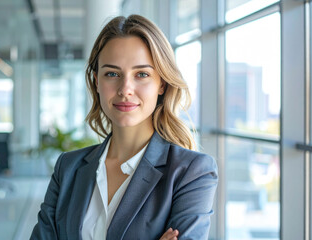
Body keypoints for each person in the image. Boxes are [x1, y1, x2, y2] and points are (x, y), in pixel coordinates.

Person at [31, 14, 218, 240]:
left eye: (142, 74)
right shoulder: (68, 168)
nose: (125, 89)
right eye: (112, 74)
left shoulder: (191, 173)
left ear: (162, 84)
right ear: (97, 81)